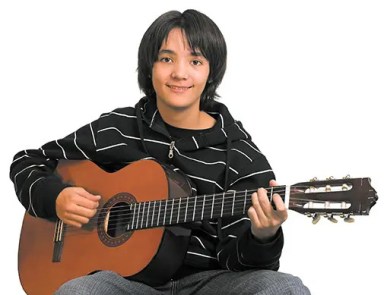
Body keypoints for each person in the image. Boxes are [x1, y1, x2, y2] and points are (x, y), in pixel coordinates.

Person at [10, 9, 310, 295]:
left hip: (209, 283)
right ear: (149, 67)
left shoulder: (242, 155)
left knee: (285, 289)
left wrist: (264, 236)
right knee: (78, 291)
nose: (180, 73)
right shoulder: (117, 128)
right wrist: (56, 198)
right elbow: (28, 162)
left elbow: (245, 266)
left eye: (195, 61)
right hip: (126, 284)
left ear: (211, 72)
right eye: (167, 59)